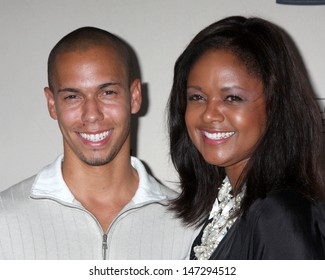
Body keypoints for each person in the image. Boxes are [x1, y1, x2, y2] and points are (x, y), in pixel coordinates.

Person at [0, 26, 198, 259]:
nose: (92, 115)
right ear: (52, 104)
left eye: (107, 93)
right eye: (73, 96)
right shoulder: (5, 218)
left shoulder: (189, 228)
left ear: (135, 97)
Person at [167, 16, 325, 260]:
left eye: (232, 98)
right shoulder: (231, 206)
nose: (209, 115)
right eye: (197, 97)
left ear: (275, 106)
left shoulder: (278, 216)